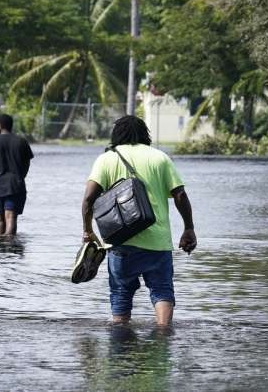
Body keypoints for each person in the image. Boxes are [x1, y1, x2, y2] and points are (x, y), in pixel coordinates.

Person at [81, 115, 196, 327]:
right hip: (157, 242)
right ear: (145, 134)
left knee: (121, 293)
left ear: (116, 135)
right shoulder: (160, 158)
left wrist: (88, 231)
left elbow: (88, 199)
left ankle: (121, 345)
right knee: (162, 290)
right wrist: (189, 228)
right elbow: (180, 195)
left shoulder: (106, 159)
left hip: (120, 241)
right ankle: (163, 336)